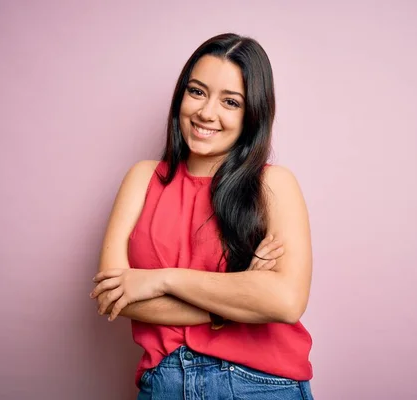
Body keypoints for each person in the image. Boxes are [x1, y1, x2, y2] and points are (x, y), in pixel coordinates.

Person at [90, 33, 314, 399]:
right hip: (164, 383)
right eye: (197, 92)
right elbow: (116, 297)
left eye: (230, 101)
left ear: (252, 113)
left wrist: (162, 280)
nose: (207, 113)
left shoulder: (273, 184)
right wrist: (236, 300)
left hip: (259, 384)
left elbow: (285, 301)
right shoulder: (143, 178)